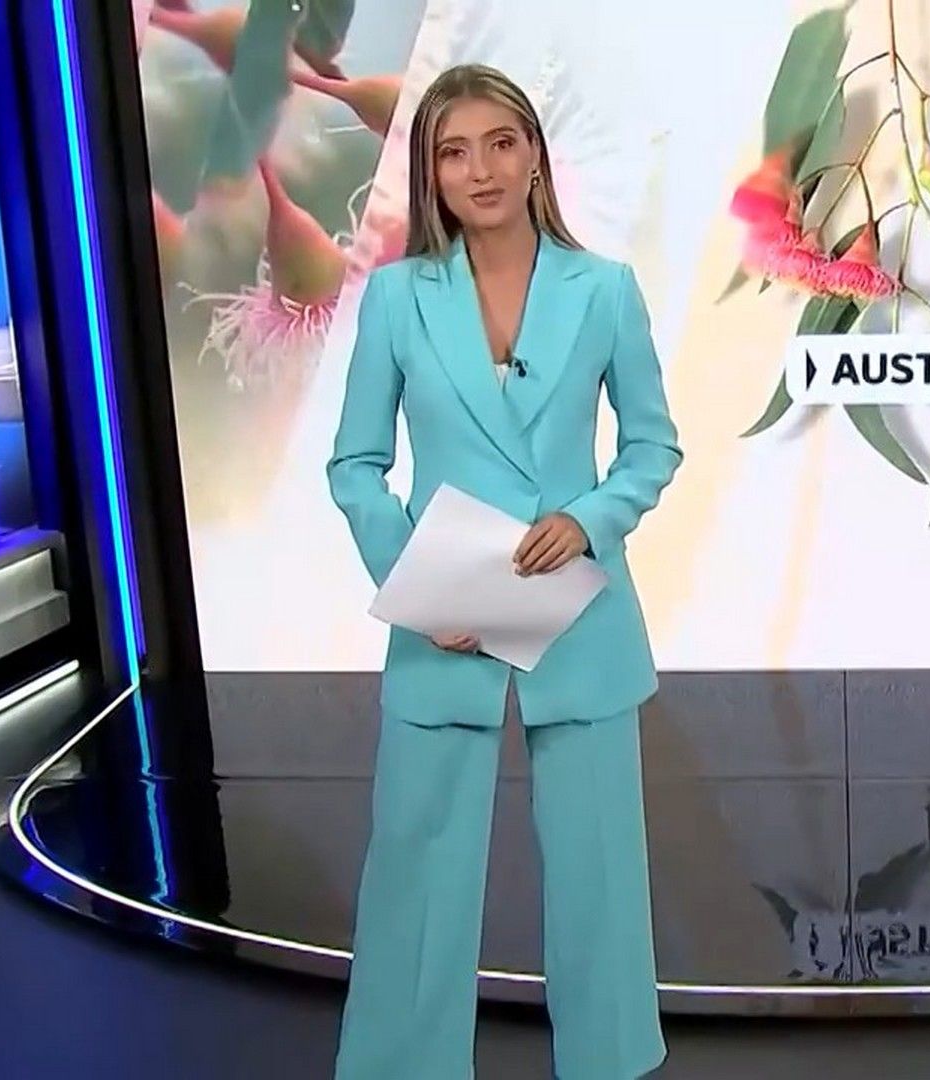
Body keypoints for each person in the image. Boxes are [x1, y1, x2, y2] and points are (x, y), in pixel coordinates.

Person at [325, 62, 679, 1079]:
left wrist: (589, 520)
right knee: (417, 870)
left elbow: (651, 447)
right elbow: (355, 465)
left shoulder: (604, 291)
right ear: (430, 173)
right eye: (453, 151)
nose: (479, 169)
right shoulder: (397, 299)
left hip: (578, 616)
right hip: (446, 622)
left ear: (534, 158)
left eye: (500, 143)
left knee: (600, 875)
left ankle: (610, 1060)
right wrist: (415, 588)